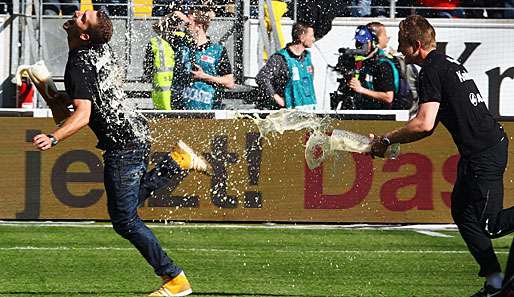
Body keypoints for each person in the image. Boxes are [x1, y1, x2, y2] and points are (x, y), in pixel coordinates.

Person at [31, 9, 211, 296]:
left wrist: (54, 138)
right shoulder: (96, 52)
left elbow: (84, 114)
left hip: (123, 143)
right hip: (135, 131)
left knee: (125, 220)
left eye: (83, 18)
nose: (77, 12)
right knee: (124, 210)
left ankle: (175, 279)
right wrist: (55, 97)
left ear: (84, 35)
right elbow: (89, 101)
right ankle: (178, 162)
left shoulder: (79, 61)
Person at [369, 15, 514, 297]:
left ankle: (496, 284)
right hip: (480, 151)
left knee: (490, 224)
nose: (399, 49)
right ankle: (495, 283)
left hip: (484, 153)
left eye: (402, 43)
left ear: (417, 44)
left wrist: (386, 139)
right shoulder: (446, 63)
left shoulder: (431, 70)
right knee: (462, 212)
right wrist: (393, 138)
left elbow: (424, 123)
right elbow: (429, 123)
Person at [172, 9, 235, 110]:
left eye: (188, 24)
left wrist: (204, 76)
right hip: (182, 110)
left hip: (208, 110)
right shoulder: (182, 46)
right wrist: (175, 14)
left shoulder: (217, 50)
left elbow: (229, 82)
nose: (185, 26)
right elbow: (157, 27)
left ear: (199, 26)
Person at [255, 22, 316, 110]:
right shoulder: (280, 58)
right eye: (311, 36)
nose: (313, 39)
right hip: (287, 113)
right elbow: (262, 77)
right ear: (302, 37)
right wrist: (276, 98)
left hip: (308, 110)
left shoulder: (307, 58)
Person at [347, 24, 396, 110]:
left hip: (382, 116)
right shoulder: (363, 62)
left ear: (373, 43)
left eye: (364, 42)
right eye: (358, 42)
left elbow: (388, 98)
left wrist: (361, 89)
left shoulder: (383, 65)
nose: (360, 46)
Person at [143, 14, 178, 110]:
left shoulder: (155, 42)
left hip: (161, 93)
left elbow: (147, 69)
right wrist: (173, 14)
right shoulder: (180, 40)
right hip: (173, 92)